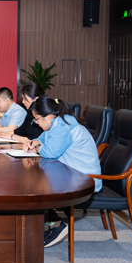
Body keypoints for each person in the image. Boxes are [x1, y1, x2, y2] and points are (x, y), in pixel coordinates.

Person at [23, 96, 101, 248]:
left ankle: (56, 226)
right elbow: (41, 139)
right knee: (35, 180)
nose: (36, 123)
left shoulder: (62, 126)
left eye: (37, 119)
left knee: (36, 184)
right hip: (71, 172)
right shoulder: (57, 122)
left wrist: (37, 148)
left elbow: (50, 152)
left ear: (48, 117)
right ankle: (46, 222)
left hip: (84, 180)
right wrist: (34, 143)